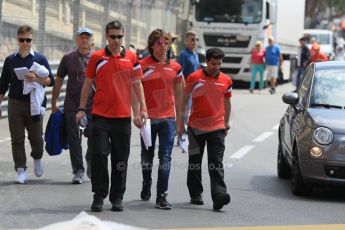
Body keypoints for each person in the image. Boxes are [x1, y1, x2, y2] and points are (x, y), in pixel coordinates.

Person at [76, 20, 147, 212]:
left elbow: (137, 85)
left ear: (123, 36)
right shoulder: (97, 57)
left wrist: (143, 110)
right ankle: (99, 195)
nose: (116, 40)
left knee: (120, 159)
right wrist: (81, 109)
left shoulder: (132, 58)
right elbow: (87, 84)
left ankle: (117, 197)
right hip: (100, 116)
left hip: (123, 117)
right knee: (99, 154)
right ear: (106, 37)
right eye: (112, 36)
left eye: (119, 36)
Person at [177, 48, 232, 211]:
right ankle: (195, 194)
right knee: (195, 163)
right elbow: (184, 101)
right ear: (207, 61)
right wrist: (181, 124)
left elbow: (227, 103)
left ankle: (219, 196)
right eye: (213, 63)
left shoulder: (226, 80)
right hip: (195, 128)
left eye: (219, 64)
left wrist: (226, 123)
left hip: (217, 128)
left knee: (216, 163)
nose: (216, 67)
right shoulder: (194, 78)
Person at [135, 29, 183, 210]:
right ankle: (146, 183)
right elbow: (134, 90)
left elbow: (180, 95)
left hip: (168, 119)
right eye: (159, 43)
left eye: (166, 43)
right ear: (151, 45)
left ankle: (161, 196)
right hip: (148, 119)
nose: (163, 46)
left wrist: (180, 121)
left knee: (166, 158)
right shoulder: (141, 65)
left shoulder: (176, 67)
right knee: (146, 158)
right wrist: (138, 112)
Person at [0, 25, 55, 184]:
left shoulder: (40, 59)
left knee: (36, 138)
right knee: (16, 139)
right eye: (22, 40)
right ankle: (20, 169)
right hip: (15, 103)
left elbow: (50, 81)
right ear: (18, 40)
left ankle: (37, 158)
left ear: (32, 40)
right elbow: (3, 85)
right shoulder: (10, 60)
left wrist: (36, 79)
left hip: (34, 103)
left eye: (28, 40)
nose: (25, 43)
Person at [51, 27, 94, 184]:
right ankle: (78, 170)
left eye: (87, 37)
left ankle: (90, 159)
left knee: (95, 138)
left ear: (92, 41)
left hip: (92, 106)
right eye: (81, 37)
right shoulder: (68, 58)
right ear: (76, 40)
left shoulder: (97, 58)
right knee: (74, 139)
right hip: (72, 105)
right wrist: (54, 102)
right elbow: (59, 81)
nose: (84, 40)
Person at [178, 31, 199, 124]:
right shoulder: (183, 54)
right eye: (192, 39)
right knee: (185, 114)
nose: (195, 42)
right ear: (186, 41)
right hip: (186, 90)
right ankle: (181, 135)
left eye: (196, 40)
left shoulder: (196, 55)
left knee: (192, 114)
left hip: (195, 89)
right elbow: (179, 72)